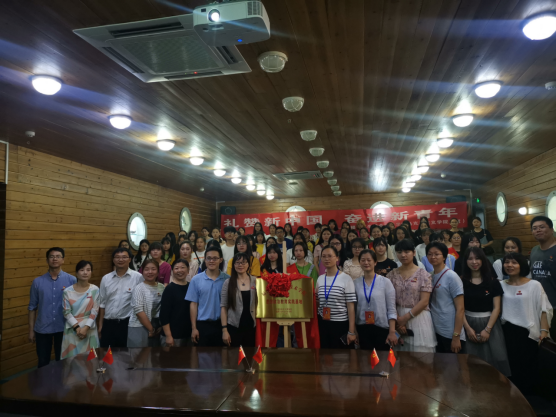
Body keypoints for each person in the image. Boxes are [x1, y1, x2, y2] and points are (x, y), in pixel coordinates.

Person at [501, 252, 552, 394]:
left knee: (528, 367)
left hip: (528, 333)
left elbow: (544, 309)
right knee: (512, 368)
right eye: (507, 262)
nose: (510, 265)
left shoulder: (534, 285)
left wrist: (544, 332)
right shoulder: (500, 285)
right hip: (507, 332)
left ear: (522, 265)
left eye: (514, 262)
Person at [461, 248, 510, 375]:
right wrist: (468, 329)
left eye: (477, 258)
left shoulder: (493, 282)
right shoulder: (461, 282)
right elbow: (459, 308)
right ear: (465, 261)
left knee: (496, 360)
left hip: (490, 325)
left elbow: (497, 308)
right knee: (471, 362)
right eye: (470, 259)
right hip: (468, 324)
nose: (474, 262)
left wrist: (487, 330)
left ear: (483, 260)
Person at [28, 247, 77, 367]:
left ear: (63, 260)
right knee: (43, 362)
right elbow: (32, 307)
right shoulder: (37, 282)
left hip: (64, 328)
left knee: (64, 362)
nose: (55, 259)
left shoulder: (71, 280)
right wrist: (31, 330)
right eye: (51, 256)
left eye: (58, 256)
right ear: (47, 260)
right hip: (43, 328)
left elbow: (76, 306)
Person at [387, 240, 436, 353]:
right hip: (397, 316)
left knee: (420, 355)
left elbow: (424, 301)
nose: (403, 255)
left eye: (407, 252)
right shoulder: (391, 275)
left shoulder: (423, 274)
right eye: (399, 252)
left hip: (418, 316)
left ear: (414, 253)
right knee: (401, 356)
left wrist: (404, 319)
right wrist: (398, 320)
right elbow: (390, 300)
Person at [97, 248, 143, 348]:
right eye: (117, 257)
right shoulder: (106, 278)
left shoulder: (138, 277)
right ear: (113, 260)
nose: (120, 260)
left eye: (124, 257)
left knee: (126, 354)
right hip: (108, 323)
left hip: (127, 324)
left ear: (130, 259)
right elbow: (102, 303)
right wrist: (100, 325)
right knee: (107, 354)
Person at [354, 249, 398, 351]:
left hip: (382, 328)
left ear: (375, 262)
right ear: (359, 262)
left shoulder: (385, 282)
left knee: (382, 359)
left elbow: (391, 308)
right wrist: (354, 331)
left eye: (369, 260)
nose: (366, 263)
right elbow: (353, 309)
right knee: (364, 359)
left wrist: (392, 331)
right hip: (362, 328)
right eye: (363, 260)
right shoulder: (355, 283)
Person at [186, 246, 230, 346]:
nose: (211, 261)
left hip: (222, 325)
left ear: (221, 260)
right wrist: (194, 328)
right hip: (202, 325)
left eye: (215, 258)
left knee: (222, 355)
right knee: (202, 355)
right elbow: (193, 304)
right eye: (209, 258)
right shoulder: (196, 280)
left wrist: (225, 329)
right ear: (204, 260)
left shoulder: (227, 280)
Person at [426, 242, 465, 354]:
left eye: (436, 254)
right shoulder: (430, 276)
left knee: (454, 363)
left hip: (450, 331)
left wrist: (456, 336)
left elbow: (460, 309)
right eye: (430, 254)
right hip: (436, 329)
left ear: (444, 256)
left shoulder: (451, 276)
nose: (433, 257)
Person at [315, 246, 357, 349]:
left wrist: (351, 331)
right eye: (324, 256)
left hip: (340, 324)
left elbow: (351, 307)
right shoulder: (320, 279)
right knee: (324, 355)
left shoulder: (346, 278)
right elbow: (317, 302)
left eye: (330, 256)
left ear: (337, 258)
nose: (326, 259)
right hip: (323, 324)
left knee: (341, 356)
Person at [60, 261, 99, 359]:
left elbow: (95, 311)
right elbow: (66, 312)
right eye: (82, 270)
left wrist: (85, 328)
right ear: (76, 273)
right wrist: (77, 328)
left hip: (89, 328)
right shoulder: (67, 291)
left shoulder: (95, 289)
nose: (85, 272)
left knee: (91, 361)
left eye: (88, 270)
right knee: (72, 361)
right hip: (72, 329)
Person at [221, 253, 258, 347]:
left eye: (243, 262)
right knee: (234, 355)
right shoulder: (228, 283)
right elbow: (224, 307)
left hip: (251, 327)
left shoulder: (256, 281)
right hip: (233, 327)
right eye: (237, 262)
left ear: (248, 265)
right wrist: (224, 330)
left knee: (250, 354)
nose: (240, 265)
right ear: (233, 265)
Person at [127, 259, 165, 347]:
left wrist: (160, 326)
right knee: (138, 354)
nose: (150, 272)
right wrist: (151, 329)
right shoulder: (139, 288)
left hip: (156, 326)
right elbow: (139, 311)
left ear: (158, 271)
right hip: (138, 326)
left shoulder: (161, 287)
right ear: (142, 272)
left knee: (153, 354)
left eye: (153, 269)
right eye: (146, 269)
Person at [529, 215, 556, 338]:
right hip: (540, 305)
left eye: (542, 227)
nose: (538, 230)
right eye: (534, 228)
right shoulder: (534, 250)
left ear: (551, 229)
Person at [160, 259, 192, 347]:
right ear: (172, 271)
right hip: (173, 335)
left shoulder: (191, 286)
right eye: (176, 268)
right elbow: (164, 315)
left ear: (188, 270)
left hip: (188, 334)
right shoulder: (169, 289)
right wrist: (168, 336)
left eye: (183, 267)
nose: (179, 270)